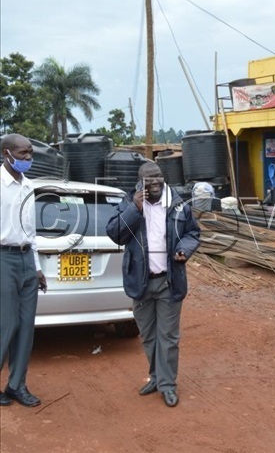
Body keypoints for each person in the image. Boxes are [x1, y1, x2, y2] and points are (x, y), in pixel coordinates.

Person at [106, 162, 200, 408]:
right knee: (148, 335)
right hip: (141, 281)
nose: (155, 181)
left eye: (158, 176)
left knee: (168, 336)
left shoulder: (178, 205)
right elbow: (115, 234)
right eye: (149, 178)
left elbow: (193, 234)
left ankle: (168, 385)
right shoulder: (130, 203)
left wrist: (183, 250)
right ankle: (156, 377)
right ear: (140, 182)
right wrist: (135, 209)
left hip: (169, 281)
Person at [0, 134, 47, 408]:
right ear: (6, 154)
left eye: (30, 153)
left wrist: (38, 268)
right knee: (6, 326)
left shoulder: (29, 186)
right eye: (23, 154)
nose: (28, 158)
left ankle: (17, 385)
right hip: (3, 259)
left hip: (27, 259)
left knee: (26, 327)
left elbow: (32, 232)